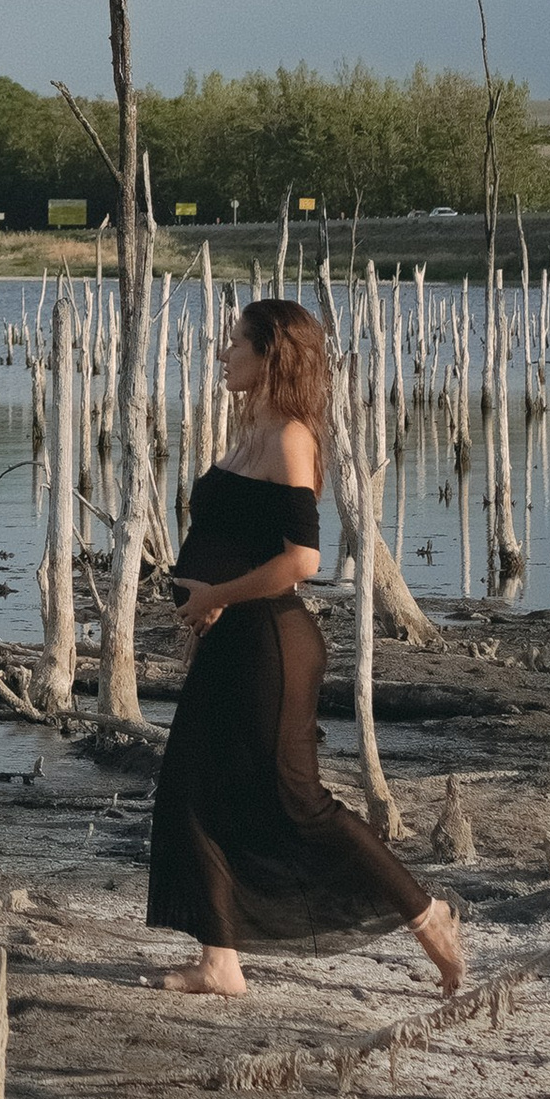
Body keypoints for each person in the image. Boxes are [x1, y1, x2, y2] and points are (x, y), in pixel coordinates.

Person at [146, 295, 460, 999]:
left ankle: (427, 914)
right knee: (192, 789)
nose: (224, 354)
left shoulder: (290, 438)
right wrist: (208, 599)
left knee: (298, 801)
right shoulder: (249, 432)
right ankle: (220, 961)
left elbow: (301, 560)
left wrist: (219, 593)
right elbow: (238, 536)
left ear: (270, 356)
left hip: (273, 646)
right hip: (233, 639)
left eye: (237, 343)